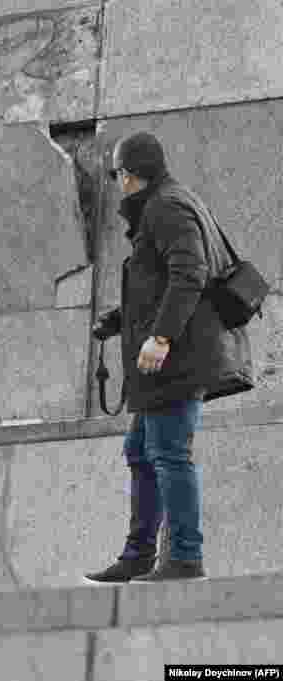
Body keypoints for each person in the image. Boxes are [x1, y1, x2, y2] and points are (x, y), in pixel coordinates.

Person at [85, 132, 253, 582]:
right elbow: (162, 284)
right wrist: (121, 319)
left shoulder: (167, 207)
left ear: (132, 173)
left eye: (120, 175)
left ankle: (184, 556)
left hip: (178, 360)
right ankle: (138, 554)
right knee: (141, 450)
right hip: (170, 359)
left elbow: (190, 273)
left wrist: (159, 338)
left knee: (169, 453)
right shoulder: (170, 204)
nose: (119, 184)